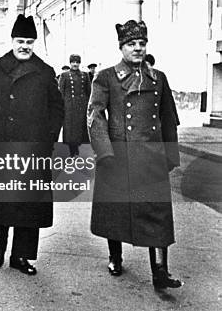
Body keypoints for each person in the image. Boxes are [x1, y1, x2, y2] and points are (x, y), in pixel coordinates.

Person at [88, 19, 182, 289]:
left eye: (141, 43)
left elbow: (168, 117)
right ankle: (115, 257)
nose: (138, 48)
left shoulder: (158, 78)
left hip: (151, 158)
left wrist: (170, 155)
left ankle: (160, 272)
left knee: (157, 214)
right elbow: (95, 115)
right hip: (118, 156)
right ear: (122, 47)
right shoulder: (106, 77)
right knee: (116, 211)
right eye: (131, 44)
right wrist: (105, 151)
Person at [0, 14, 64, 276]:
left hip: (33, 149)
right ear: (12, 41)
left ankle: (22, 256)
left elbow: (57, 107)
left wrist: (48, 137)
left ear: (34, 43)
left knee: (29, 204)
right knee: (2, 200)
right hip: (3, 145)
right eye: (20, 41)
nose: (25, 46)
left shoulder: (45, 71)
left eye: (29, 42)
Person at [58, 54, 91, 157]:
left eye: (77, 62)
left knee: (81, 128)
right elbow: (61, 92)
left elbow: (89, 92)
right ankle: (72, 150)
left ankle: (81, 150)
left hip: (82, 106)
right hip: (69, 107)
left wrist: (89, 106)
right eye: (73, 62)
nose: (75, 64)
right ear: (70, 63)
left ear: (79, 63)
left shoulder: (85, 75)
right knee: (70, 129)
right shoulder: (64, 75)